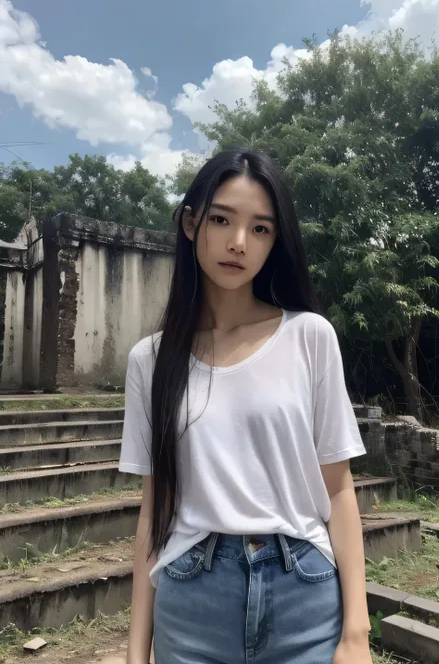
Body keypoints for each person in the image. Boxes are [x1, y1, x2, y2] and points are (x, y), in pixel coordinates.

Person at [119, 148, 372, 664]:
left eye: (260, 228)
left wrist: (356, 634)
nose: (238, 243)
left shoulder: (309, 337)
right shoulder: (151, 360)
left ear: (276, 240)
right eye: (221, 219)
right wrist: (135, 652)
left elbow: (339, 488)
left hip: (304, 590)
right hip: (191, 600)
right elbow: (155, 509)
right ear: (191, 224)